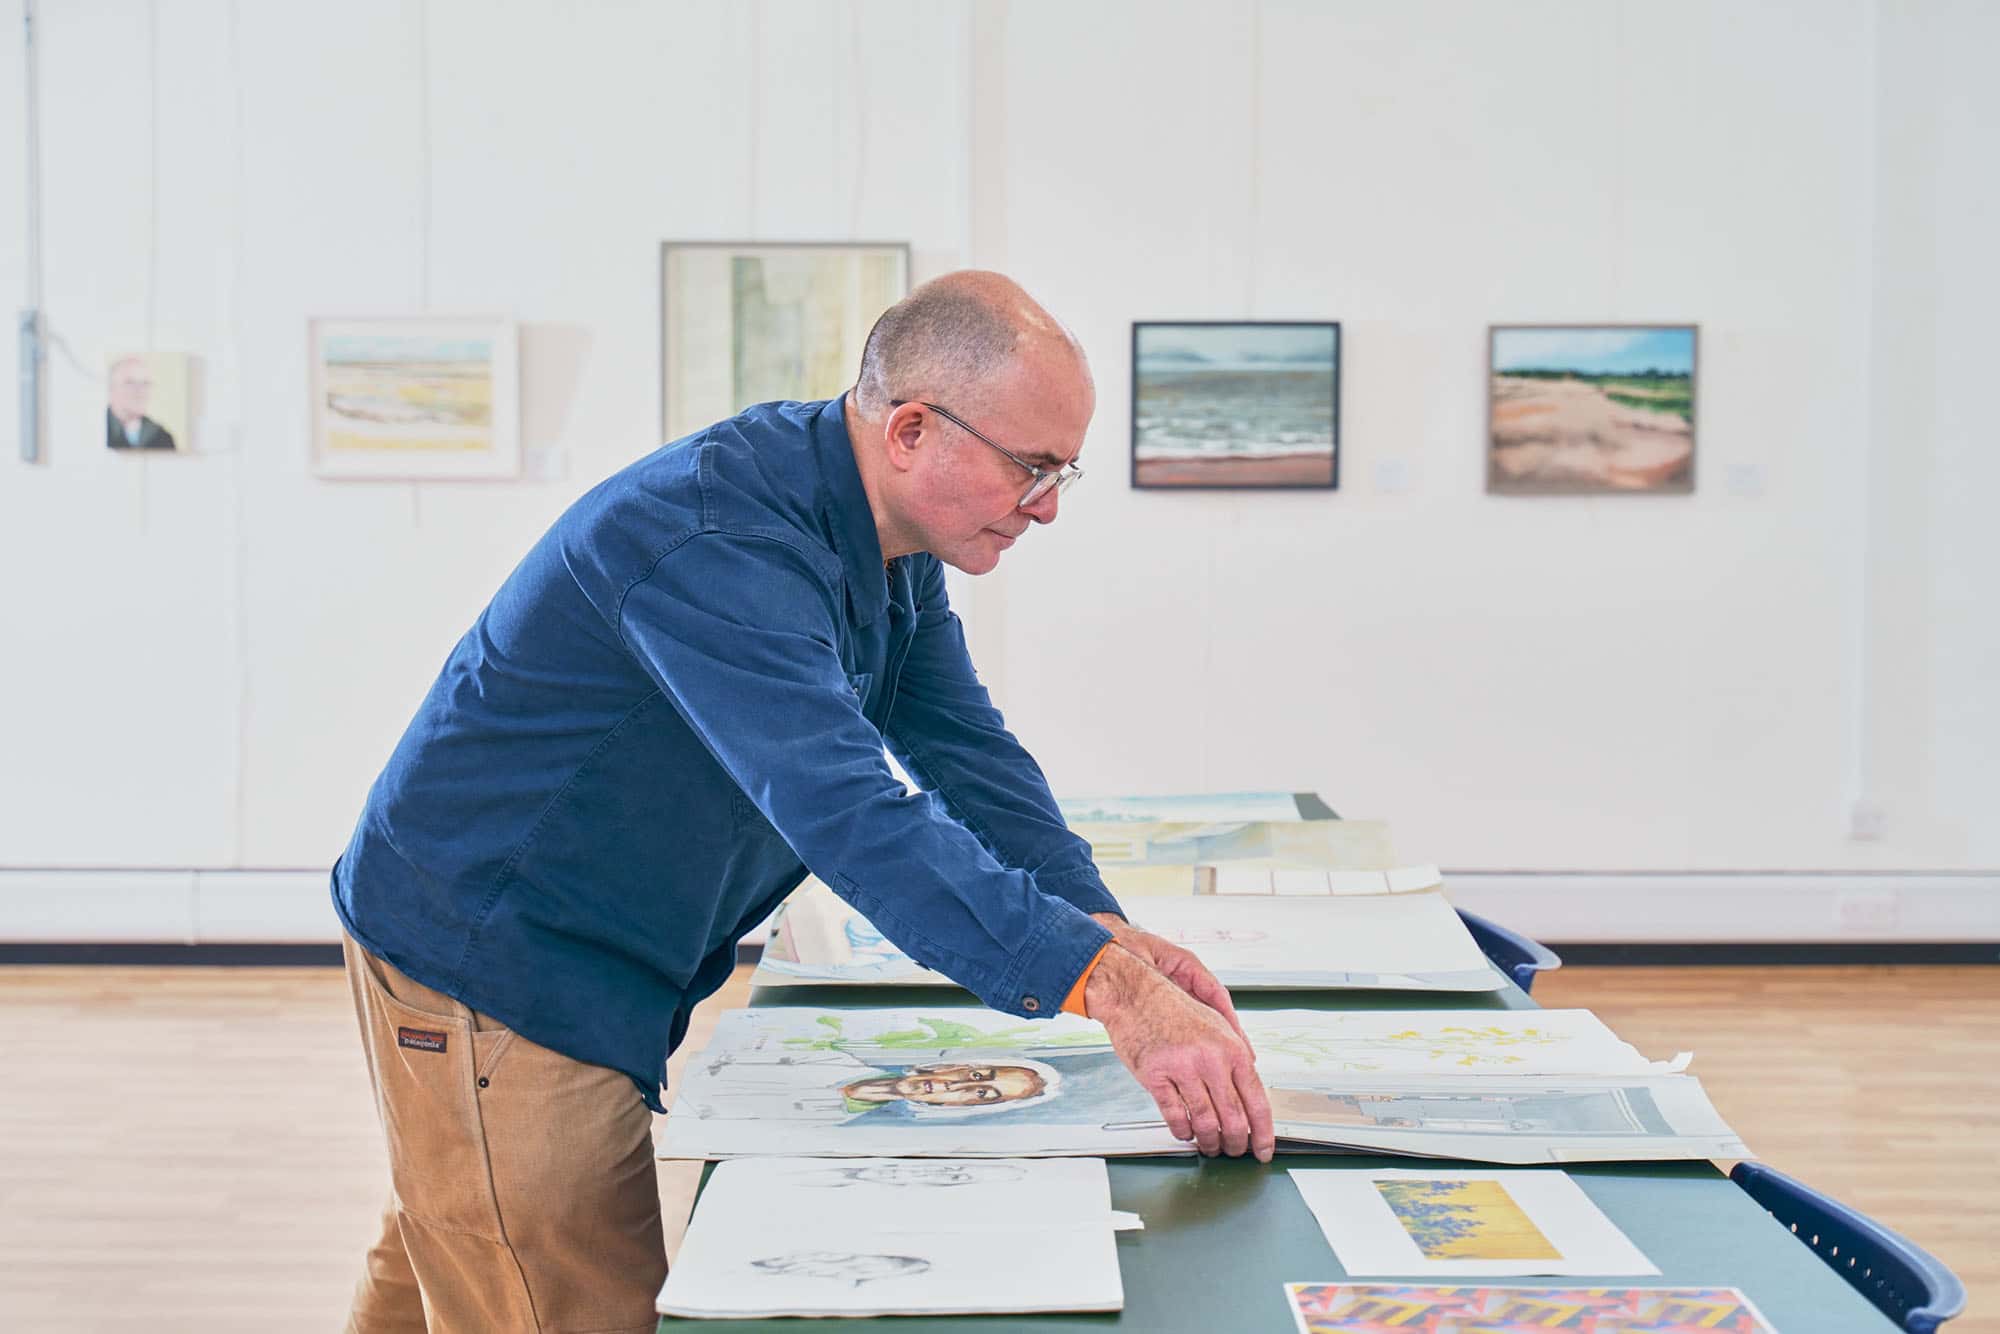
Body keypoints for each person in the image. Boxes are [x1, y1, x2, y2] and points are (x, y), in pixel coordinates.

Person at [331, 270, 1273, 1334]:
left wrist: (1101, 926)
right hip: (497, 953)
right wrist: (1106, 987)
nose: (1047, 504)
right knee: (552, 1288)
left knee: (460, 1230)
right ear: (911, 429)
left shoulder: (883, 533)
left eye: (1063, 471)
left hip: (595, 934)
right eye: (1030, 466)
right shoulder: (716, 541)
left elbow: (964, 747)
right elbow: (853, 816)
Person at [105, 355, 176, 450]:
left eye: (145, 384)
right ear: (111, 388)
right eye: (130, 383)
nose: (140, 391)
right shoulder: (96, 430)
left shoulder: (162, 437)